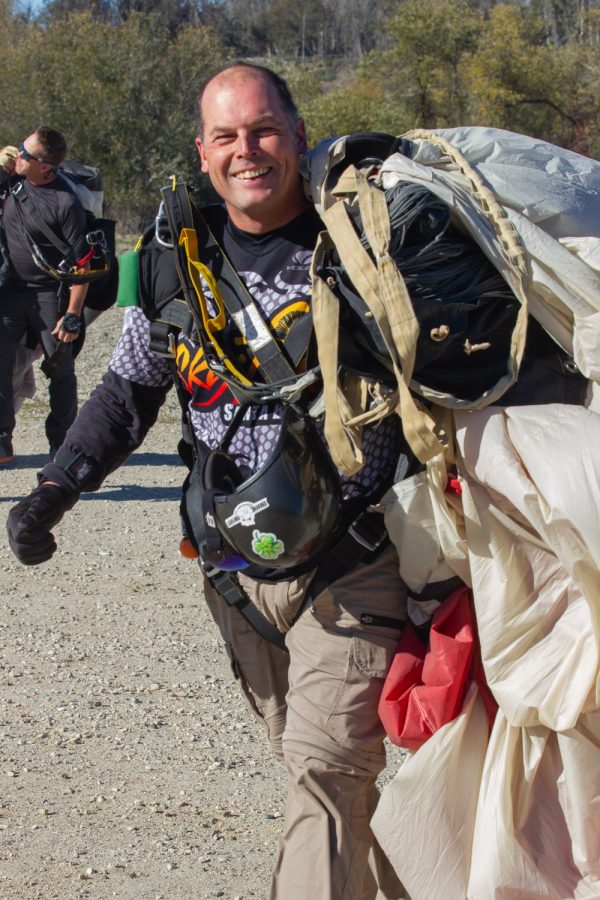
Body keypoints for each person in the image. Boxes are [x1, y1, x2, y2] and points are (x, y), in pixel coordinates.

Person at [6, 65, 411, 899]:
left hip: (354, 566)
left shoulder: (367, 249)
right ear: (202, 150)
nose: (247, 151)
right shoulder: (174, 262)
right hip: (232, 574)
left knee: (324, 780)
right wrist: (56, 486)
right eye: (225, 136)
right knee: (324, 786)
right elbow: (126, 393)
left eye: (263, 130)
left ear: (299, 134)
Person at [0, 126, 89, 464]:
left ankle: (63, 445)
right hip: (9, 292)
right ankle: (2, 440)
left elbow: (83, 266)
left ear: (46, 167)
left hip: (50, 293)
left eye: (25, 153)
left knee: (60, 368)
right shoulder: (10, 182)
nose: (18, 155)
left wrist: (72, 315)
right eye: (20, 149)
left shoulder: (66, 203)